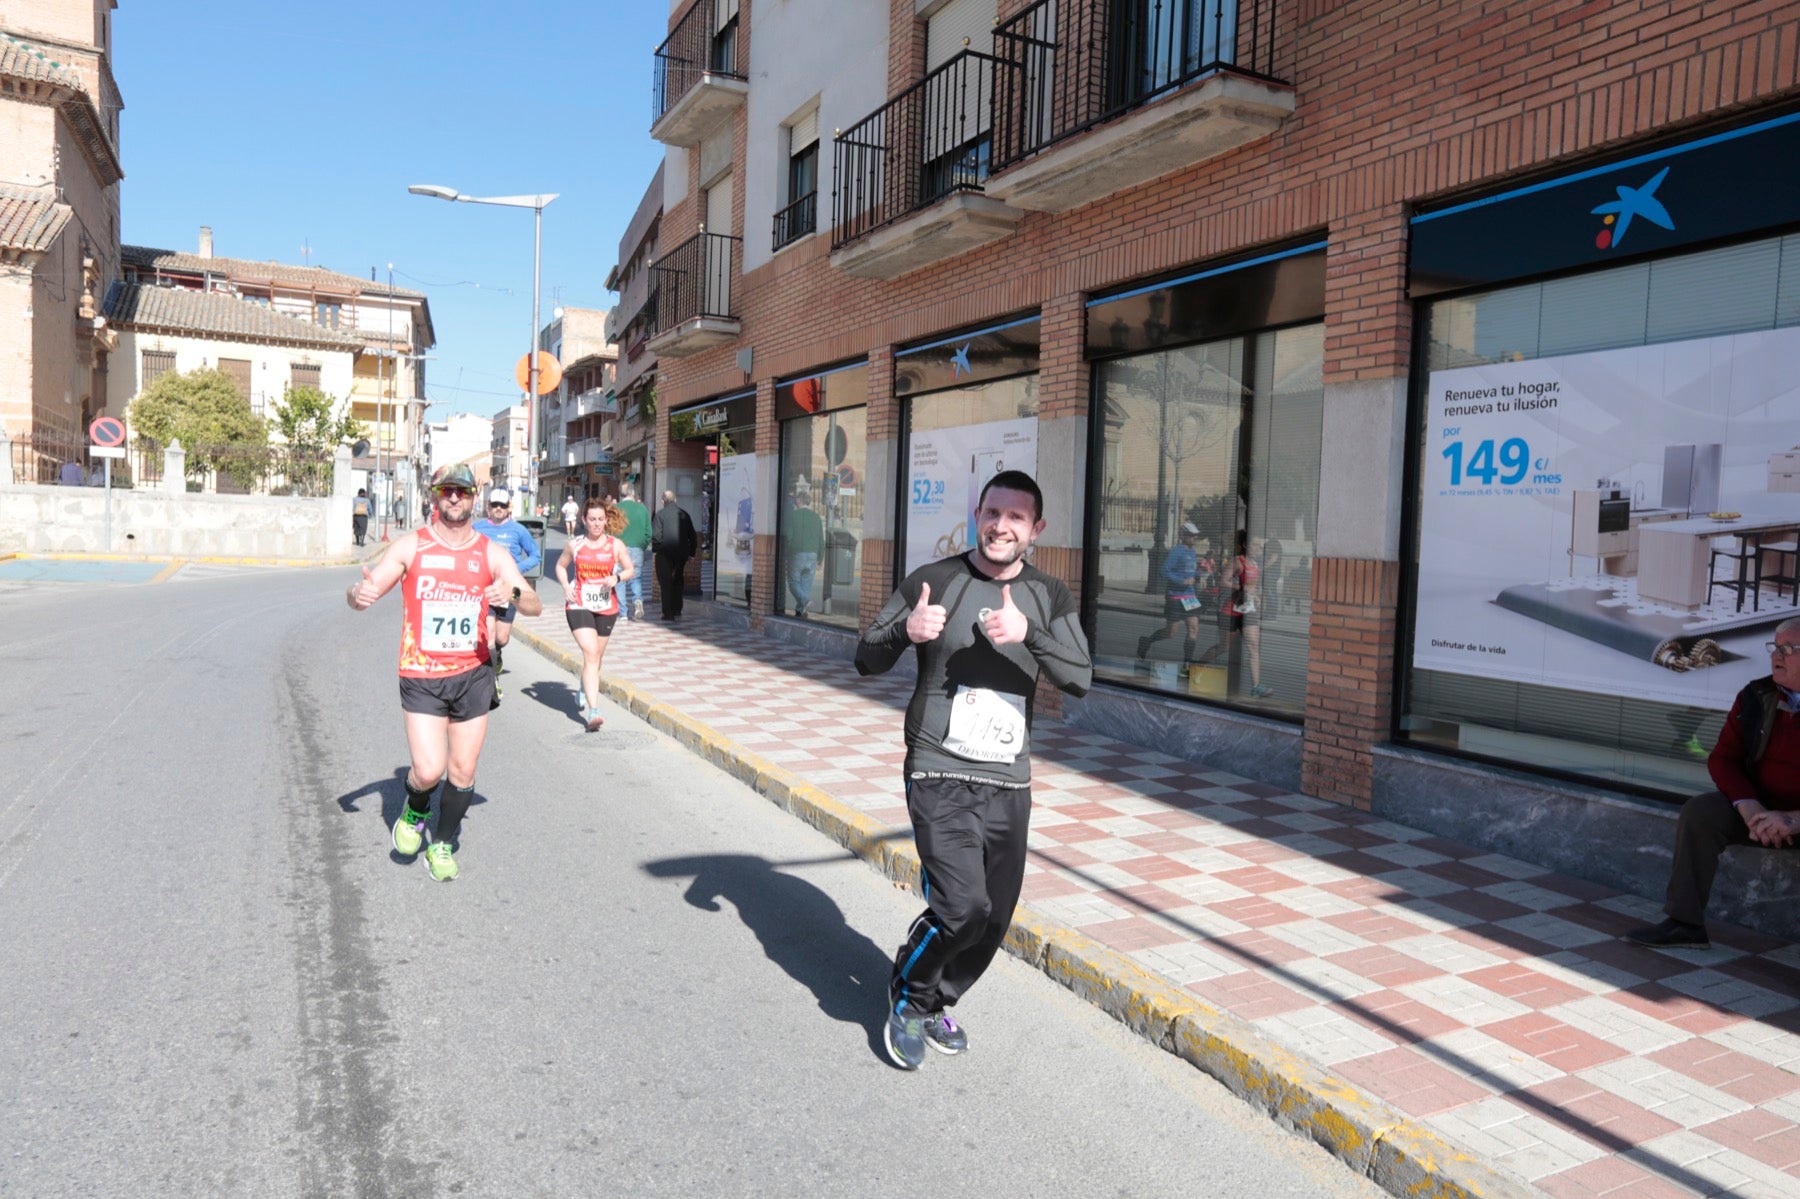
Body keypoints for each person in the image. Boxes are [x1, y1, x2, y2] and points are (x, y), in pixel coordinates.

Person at [855, 469, 1092, 1070]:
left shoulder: (1048, 595)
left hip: (1008, 780)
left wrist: (1029, 633)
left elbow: (1080, 679)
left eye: (1016, 517)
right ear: (976, 514)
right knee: (964, 907)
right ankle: (908, 997)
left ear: (1036, 529)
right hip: (938, 767)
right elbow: (865, 656)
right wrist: (906, 632)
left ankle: (938, 998)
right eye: (992, 512)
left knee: (995, 916)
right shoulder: (935, 580)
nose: (1000, 525)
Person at [345, 463, 543, 882]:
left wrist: (510, 591)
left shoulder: (490, 552)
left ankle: (442, 842)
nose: (455, 497)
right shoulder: (411, 546)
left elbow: (533, 604)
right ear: (436, 496)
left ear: (474, 498)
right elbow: (364, 594)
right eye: (447, 491)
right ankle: (416, 806)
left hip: (472, 673)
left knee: (463, 771)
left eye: (463, 491)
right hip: (421, 673)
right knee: (429, 770)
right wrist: (356, 594)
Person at [1624, 619, 1800, 949]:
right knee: (1700, 813)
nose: (1777, 655)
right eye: (1775, 647)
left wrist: (1791, 819)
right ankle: (1684, 923)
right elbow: (1722, 758)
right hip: (1760, 813)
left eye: (1788, 649)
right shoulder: (1756, 696)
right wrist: (1750, 809)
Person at [555, 496, 635, 732]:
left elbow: (630, 569)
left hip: (606, 606)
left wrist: (617, 577)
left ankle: (584, 684)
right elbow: (560, 566)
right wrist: (566, 587)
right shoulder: (575, 545)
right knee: (590, 653)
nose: (597, 524)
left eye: (601, 519)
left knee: (596, 658)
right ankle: (594, 711)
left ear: (605, 520)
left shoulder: (615, 545)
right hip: (579, 603)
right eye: (592, 519)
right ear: (584, 520)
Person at [471, 486, 542, 705]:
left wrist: (514, 571)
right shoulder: (476, 527)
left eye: (503, 505)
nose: (498, 509)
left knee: (502, 638)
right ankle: (492, 682)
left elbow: (535, 555)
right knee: (489, 635)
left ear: (508, 508)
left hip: (508, 590)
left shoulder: (518, 530)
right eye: (495, 505)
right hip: (485, 589)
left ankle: (497, 655)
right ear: (488, 507)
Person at [1193, 530, 1273, 698]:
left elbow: (1251, 587)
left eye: (1260, 545)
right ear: (1245, 545)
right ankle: (1197, 667)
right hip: (1230, 611)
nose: (1259, 548)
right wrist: (1239, 588)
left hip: (1248, 610)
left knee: (1254, 647)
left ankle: (1256, 686)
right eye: (1256, 545)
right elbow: (1223, 581)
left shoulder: (1255, 564)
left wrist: (1257, 597)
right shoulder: (1238, 562)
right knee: (1223, 647)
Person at [1138, 521, 1208, 669]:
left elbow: (1191, 570)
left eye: (1196, 536)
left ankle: (1187, 663)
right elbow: (1164, 571)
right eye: (1192, 536)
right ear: (1184, 535)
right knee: (1171, 632)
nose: (1194, 539)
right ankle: (1146, 641)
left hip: (1190, 597)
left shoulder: (1192, 552)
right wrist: (1182, 581)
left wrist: (1198, 576)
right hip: (1175, 596)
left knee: (1193, 629)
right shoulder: (1177, 551)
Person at [652, 489, 697, 621]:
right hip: (681, 553)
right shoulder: (684, 514)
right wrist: (692, 553)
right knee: (678, 579)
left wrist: (658, 548)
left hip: (664, 552)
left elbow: (656, 535)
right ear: (675, 500)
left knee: (665, 582)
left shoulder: (660, 515)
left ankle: (668, 613)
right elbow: (692, 535)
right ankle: (677, 609)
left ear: (662, 501)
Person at [785, 487, 826, 618]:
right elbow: (821, 539)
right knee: (806, 585)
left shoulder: (793, 515)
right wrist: (820, 559)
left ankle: (805, 601)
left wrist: (786, 553)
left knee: (793, 583)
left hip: (797, 554)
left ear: (799, 501)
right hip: (813, 556)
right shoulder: (816, 517)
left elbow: (789, 537)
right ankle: (800, 611)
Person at [616, 482, 653, 620]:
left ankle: (623, 613)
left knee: (619, 579)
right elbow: (649, 533)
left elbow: (609, 531)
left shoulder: (616, 509)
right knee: (635, 577)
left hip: (619, 549)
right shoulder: (642, 509)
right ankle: (638, 600)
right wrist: (641, 546)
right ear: (633, 493)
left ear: (621, 494)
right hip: (637, 548)